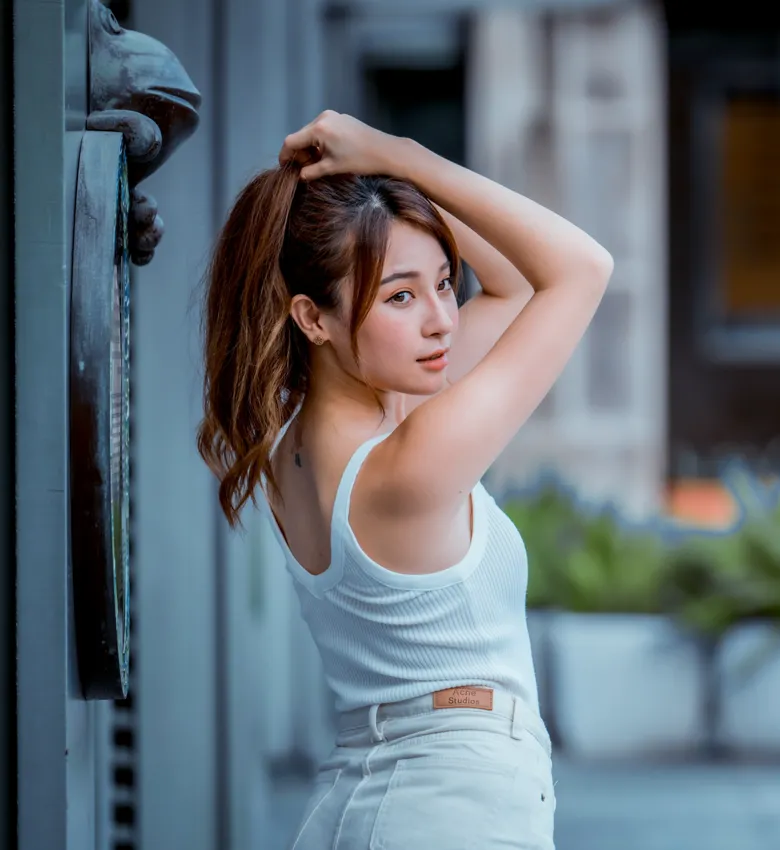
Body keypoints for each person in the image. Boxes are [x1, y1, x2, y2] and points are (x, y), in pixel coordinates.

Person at [196, 110, 613, 849]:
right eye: (399, 296)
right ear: (312, 319)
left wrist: (395, 184)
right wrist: (404, 156)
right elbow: (579, 269)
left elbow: (513, 290)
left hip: (377, 798)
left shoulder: (302, 444)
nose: (441, 322)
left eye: (445, 283)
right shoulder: (408, 464)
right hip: (449, 810)